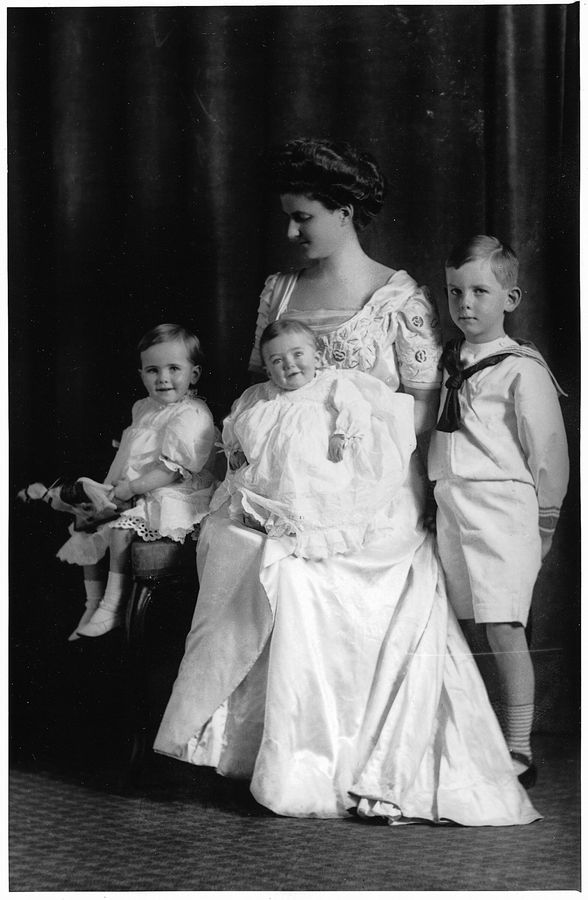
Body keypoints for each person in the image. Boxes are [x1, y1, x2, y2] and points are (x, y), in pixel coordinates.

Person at [154, 140, 539, 826]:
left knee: (306, 574)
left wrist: (357, 472)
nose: (292, 231)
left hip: (376, 484)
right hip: (284, 477)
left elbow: (424, 406)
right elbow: (258, 386)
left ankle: (338, 761)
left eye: (303, 217)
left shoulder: (399, 296)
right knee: (251, 548)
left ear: (346, 210)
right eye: (289, 218)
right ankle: (229, 749)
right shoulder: (280, 288)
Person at [428, 235, 569, 788]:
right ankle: (476, 735)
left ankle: (517, 748)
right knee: (462, 624)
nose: (465, 303)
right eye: (455, 291)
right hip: (450, 502)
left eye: (480, 291)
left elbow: (549, 449)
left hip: (502, 507)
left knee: (504, 626)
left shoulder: (521, 367)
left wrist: (546, 521)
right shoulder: (447, 361)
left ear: (510, 298)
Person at [29, 324, 218, 639]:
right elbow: (131, 455)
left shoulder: (192, 414)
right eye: (153, 370)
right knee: (84, 521)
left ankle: (114, 602)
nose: (163, 378)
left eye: (174, 368)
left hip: (174, 491)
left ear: (194, 374)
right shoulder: (143, 408)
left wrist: (131, 489)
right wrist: (118, 487)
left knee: (120, 528)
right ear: (142, 373)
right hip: (135, 486)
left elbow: (172, 470)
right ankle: (93, 603)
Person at [214, 319, 416, 559]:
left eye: (297, 354)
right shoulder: (263, 395)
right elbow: (240, 420)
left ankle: (315, 536)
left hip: (320, 463)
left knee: (320, 492)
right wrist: (236, 448)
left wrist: (342, 433)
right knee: (274, 489)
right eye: (277, 361)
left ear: (317, 357)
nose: (290, 365)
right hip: (276, 468)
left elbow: (355, 405)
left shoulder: (330, 384)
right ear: (268, 371)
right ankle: (278, 522)